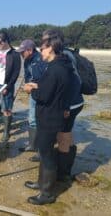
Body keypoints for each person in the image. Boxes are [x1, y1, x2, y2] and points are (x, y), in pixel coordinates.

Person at [23, 30, 74, 205]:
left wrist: (31, 90)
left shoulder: (55, 69)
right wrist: (39, 85)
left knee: (46, 154)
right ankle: (40, 183)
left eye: (42, 48)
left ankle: (46, 193)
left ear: (51, 48)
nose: (41, 51)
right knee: (44, 151)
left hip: (49, 118)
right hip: (52, 115)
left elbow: (43, 95)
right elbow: (54, 88)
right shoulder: (60, 66)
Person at [44, 30, 84, 182]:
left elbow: (74, 82)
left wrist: (66, 106)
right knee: (65, 134)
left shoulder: (65, 56)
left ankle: (64, 173)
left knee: (64, 135)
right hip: (71, 102)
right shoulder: (63, 55)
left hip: (71, 103)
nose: (43, 45)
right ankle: (63, 168)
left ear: (54, 43)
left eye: (46, 42)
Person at [16, 39, 47, 162]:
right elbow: (28, 76)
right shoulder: (27, 60)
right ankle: (32, 145)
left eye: (22, 52)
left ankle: (41, 151)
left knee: (41, 121)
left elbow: (46, 81)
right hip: (33, 94)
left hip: (41, 94)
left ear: (30, 50)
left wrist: (33, 86)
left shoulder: (41, 60)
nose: (21, 54)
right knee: (32, 119)